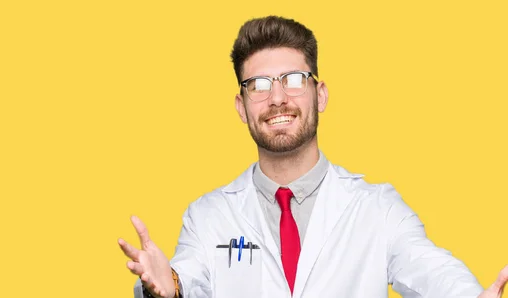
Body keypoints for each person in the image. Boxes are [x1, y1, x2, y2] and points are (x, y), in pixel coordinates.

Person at [118, 16, 508, 298]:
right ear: (241, 107)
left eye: (292, 80)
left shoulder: (377, 208)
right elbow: (183, 279)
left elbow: (431, 269)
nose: (277, 98)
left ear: (319, 94)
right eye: (258, 85)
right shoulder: (207, 217)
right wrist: (166, 287)